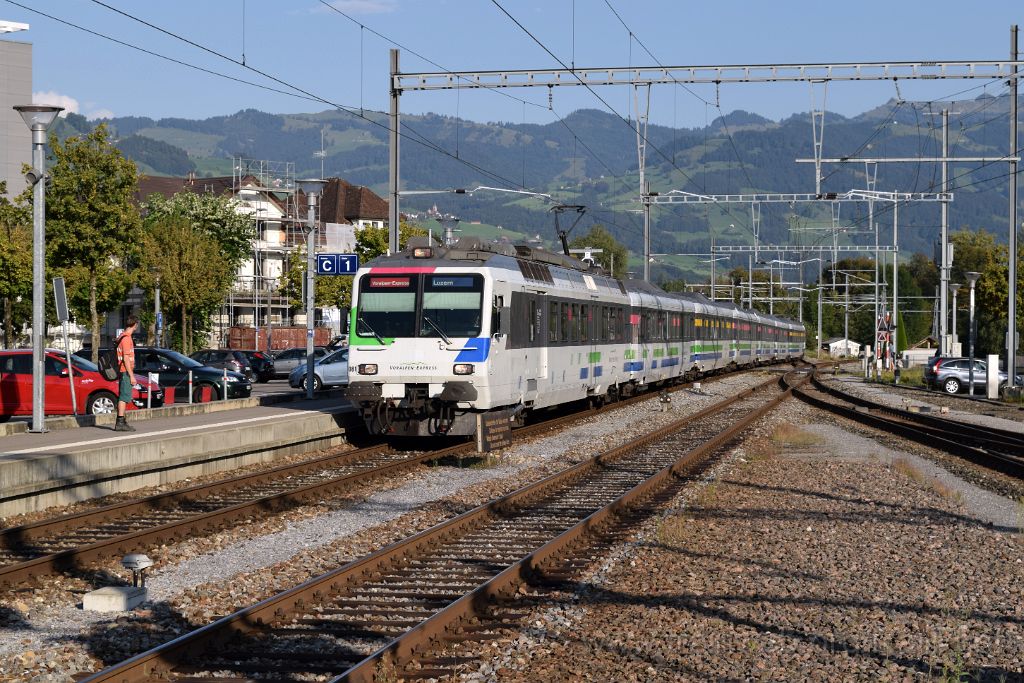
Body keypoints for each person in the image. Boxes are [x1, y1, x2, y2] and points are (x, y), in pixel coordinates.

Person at [114, 315, 139, 432]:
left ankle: (122, 420)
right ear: (135, 325)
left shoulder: (122, 337)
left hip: (124, 371)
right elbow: (126, 358)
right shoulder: (126, 339)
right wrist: (132, 376)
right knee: (124, 397)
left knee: (124, 396)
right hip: (125, 371)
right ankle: (120, 422)